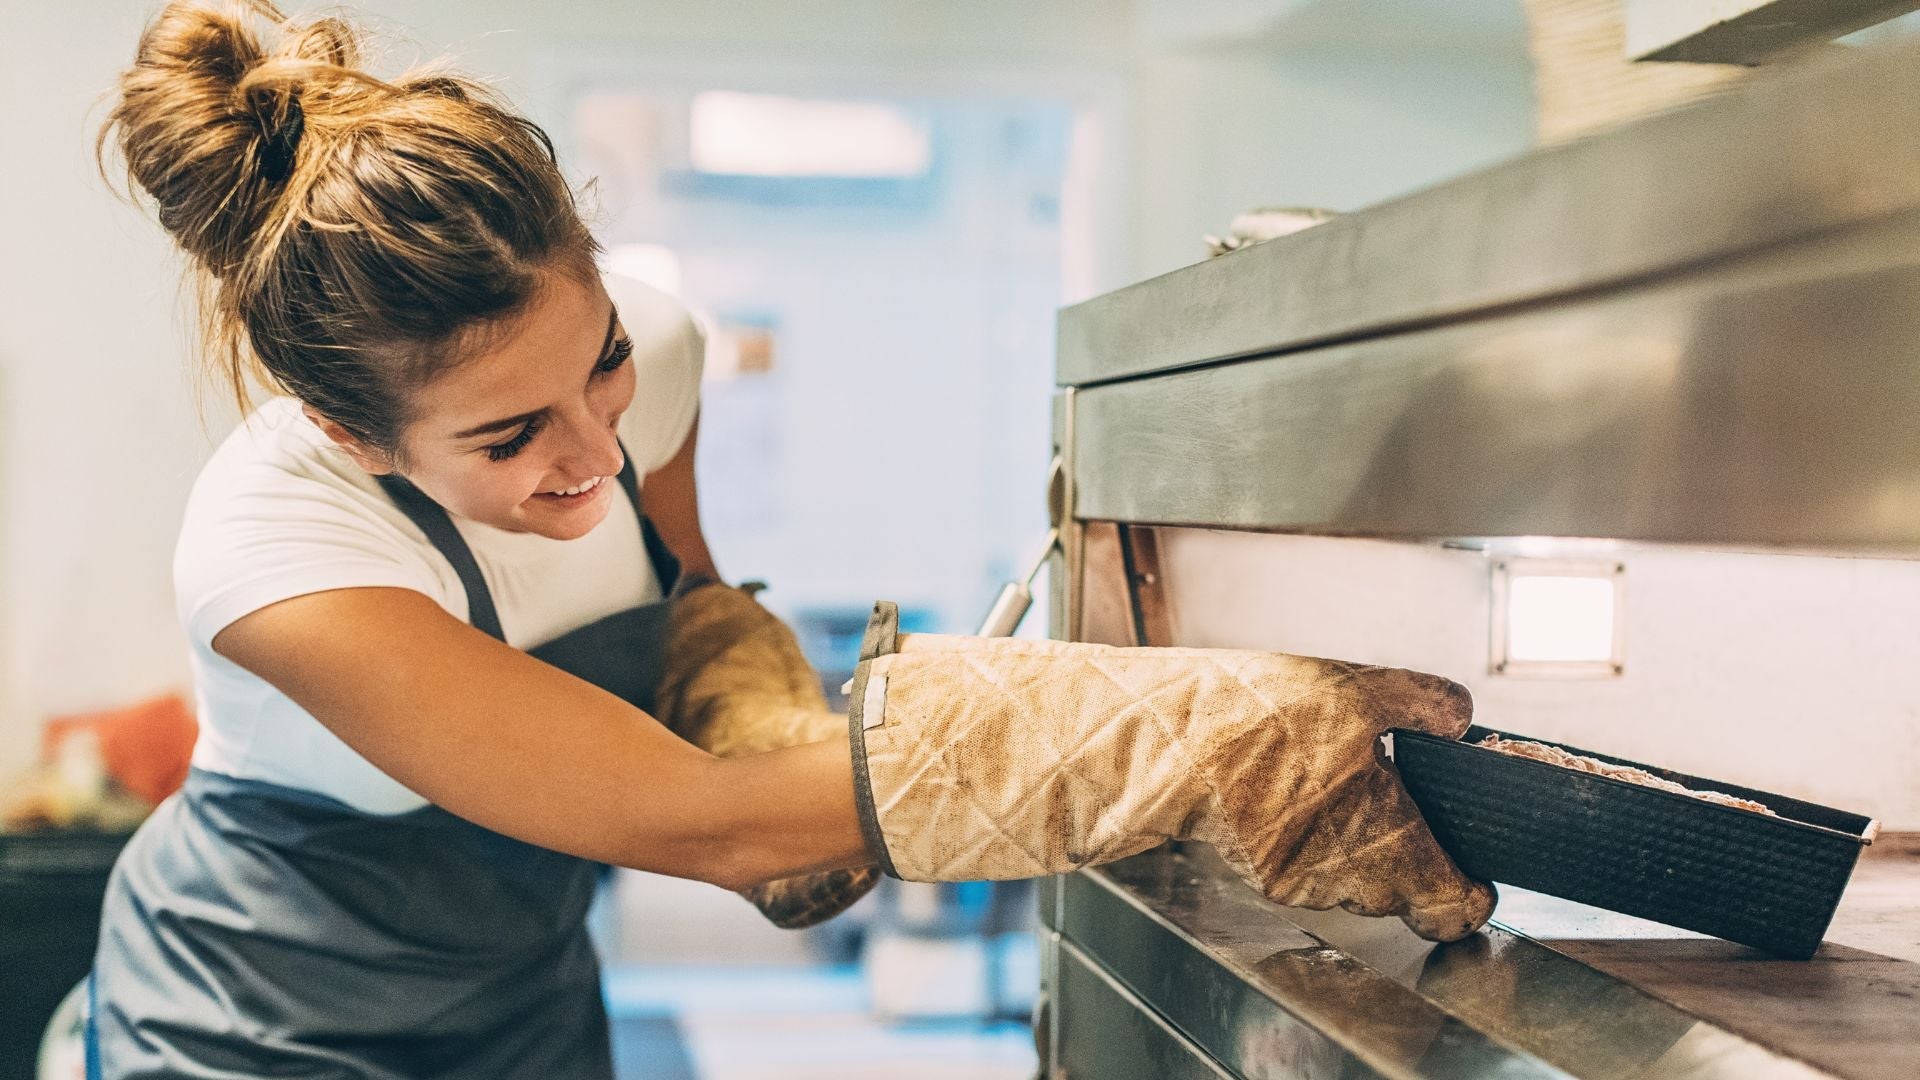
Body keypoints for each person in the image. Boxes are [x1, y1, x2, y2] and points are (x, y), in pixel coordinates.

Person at [88, 3, 1495, 1077]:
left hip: (525, 993)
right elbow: (696, 826)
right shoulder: (277, 554)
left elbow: (683, 593)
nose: (590, 454)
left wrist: (752, 700)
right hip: (259, 1016)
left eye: (604, 364)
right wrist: (1173, 739)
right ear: (355, 436)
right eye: (507, 439)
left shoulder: (672, 350)